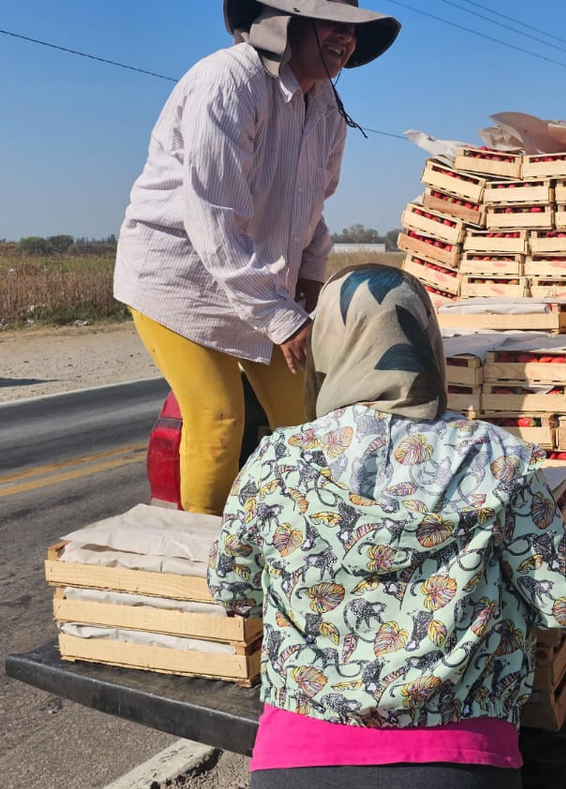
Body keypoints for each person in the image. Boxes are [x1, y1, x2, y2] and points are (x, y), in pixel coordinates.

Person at [208, 264, 566, 789]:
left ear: (328, 348)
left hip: (299, 762)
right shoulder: (495, 458)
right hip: (461, 764)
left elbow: (231, 587)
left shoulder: (277, 460)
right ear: (424, 342)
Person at [113, 0, 400, 515]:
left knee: (310, 414)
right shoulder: (229, 82)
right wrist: (280, 318)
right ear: (288, 23)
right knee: (220, 419)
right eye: (332, 25)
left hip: (256, 282)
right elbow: (213, 215)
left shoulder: (327, 109)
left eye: (352, 30)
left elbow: (311, 206)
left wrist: (311, 282)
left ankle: (302, 540)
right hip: (180, 280)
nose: (346, 39)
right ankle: (206, 566)